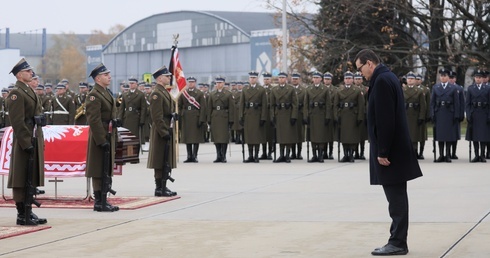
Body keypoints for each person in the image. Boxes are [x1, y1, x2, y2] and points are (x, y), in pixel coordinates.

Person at [355, 49, 422, 256]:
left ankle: (398, 242)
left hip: (391, 151)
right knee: (397, 197)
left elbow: (385, 120)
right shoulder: (389, 77)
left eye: (360, 69)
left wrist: (382, 151)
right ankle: (397, 239)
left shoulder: (382, 81)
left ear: (369, 63)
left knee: (396, 199)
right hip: (395, 148)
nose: (360, 74)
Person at [7, 58, 47, 225]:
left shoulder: (28, 90)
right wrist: (26, 143)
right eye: (28, 71)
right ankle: (22, 212)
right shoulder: (17, 93)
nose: (31, 73)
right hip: (24, 140)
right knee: (21, 176)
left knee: (30, 176)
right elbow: (17, 121)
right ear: (19, 75)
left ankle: (28, 210)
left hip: (33, 136)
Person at [85, 63, 119, 212]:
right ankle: (99, 201)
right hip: (100, 137)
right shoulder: (94, 95)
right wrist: (101, 140)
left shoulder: (105, 92)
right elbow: (94, 119)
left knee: (106, 167)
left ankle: (104, 199)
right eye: (106, 75)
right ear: (98, 78)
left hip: (108, 134)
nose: (109, 77)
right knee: (99, 168)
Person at [147, 66, 177, 197]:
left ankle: (164, 185)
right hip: (161, 131)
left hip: (166, 128)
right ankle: (159, 187)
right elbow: (156, 116)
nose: (169, 78)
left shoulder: (163, 91)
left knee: (165, 158)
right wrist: (164, 132)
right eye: (167, 76)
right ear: (159, 78)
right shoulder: (156, 94)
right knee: (160, 159)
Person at [430, 68, 461, 162]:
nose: (443, 77)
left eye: (445, 76)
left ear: (448, 77)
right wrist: (432, 114)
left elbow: (456, 103)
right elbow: (432, 103)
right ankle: (441, 155)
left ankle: (447, 155)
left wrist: (456, 115)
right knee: (440, 136)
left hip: (449, 114)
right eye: (442, 76)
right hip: (439, 113)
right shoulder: (436, 87)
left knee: (448, 136)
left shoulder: (453, 88)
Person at [333, 71, 365, 162]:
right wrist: (336, 116)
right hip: (343, 115)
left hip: (352, 116)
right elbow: (335, 105)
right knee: (344, 137)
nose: (348, 80)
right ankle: (345, 154)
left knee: (352, 137)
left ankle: (351, 154)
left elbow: (361, 105)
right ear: (344, 80)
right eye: (346, 78)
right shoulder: (339, 91)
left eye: (350, 78)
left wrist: (360, 117)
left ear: (352, 80)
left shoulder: (357, 90)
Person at [239, 71, 268, 163]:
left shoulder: (261, 90)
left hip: (257, 114)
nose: (252, 79)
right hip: (248, 114)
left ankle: (256, 155)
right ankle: (250, 155)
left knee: (256, 136)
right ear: (249, 79)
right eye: (251, 78)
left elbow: (264, 105)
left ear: (257, 79)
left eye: (254, 78)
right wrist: (241, 116)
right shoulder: (245, 89)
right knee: (249, 136)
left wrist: (263, 117)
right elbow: (242, 104)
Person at [270, 71, 298, 163]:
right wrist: (272, 115)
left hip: (288, 113)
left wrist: (294, 116)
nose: (281, 79)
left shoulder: (291, 89)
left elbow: (294, 104)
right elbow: (272, 105)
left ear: (286, 79)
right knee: (280, 136)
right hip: (279, 114)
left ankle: (287, 155)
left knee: (288, 136)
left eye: (283, 78)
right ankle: (281, 154)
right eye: (280, 78)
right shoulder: (274, 90)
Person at [304, 71, 331, 162]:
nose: (315, 79)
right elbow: (305, 104)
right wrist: (305, 115)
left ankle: (320, 155)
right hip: (312, 114)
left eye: (317, 78)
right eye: (314, 78)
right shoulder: (308, 89)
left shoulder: (325, 89)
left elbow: (328, 104)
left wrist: (327, 116)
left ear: (320, 79)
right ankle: (314, 154)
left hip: (321, 115)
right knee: (312, 136)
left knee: (320, 136)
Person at [178, 76, 207, 163]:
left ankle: (195, 156)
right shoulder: (183, 93)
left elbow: (203, 107)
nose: (191, 83)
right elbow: (179, 105)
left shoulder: (199, 93)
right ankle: (189, 156)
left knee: (195, 138)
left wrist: (201, 119)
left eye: (192, 82)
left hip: (195, 116)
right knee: (187, 138)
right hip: (186, 117)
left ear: (195, 83)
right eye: (189, 82)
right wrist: (181, 114)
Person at [207, 76, 234, 163]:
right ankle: (218, 155)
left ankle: (223, 156)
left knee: (224, 138)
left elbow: (231, 107)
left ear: (223, 83)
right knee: (216, 138)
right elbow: (209, 107)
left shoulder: (228, 94)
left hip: (224, 116)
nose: (219, 84)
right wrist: (209, 119)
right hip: (215, 116)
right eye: (217, 83)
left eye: (220, 83)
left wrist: (231, 120)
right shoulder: (212, 94)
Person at [465, 69, 490, 162]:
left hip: (484, 113)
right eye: (476, 77)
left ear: (482, 79)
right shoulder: (471, 88)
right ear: (474, 78)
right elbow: (467, 103)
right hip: (474, 113)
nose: (478, 79)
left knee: (483, 136)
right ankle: (476, 155)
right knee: (475, 136)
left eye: (480, 77)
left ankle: (482, 155)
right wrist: (468, 114)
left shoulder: (487, 88)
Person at [118, 77, 147, 145]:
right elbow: (121, 108)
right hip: (127, 118)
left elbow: (143, 108)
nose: (131, 85)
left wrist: (142, 120)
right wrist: (120, 119)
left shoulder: (140, 94)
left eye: (132, 83)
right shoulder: (125, 95)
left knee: (135, 137)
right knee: (127, 137)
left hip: (136, 118)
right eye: (130, 83)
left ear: (136, 84)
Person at [403, 72, 427, 155]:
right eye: (408, 79)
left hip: (415, 114)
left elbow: (423, 105)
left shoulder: (419, 91)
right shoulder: (402, 90)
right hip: (405, 114)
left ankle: (415, 151)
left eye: (412, 79)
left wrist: (421, 117)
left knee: (414, 135)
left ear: (414, 80)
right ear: (406, 80)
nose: (410, 80)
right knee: (406, 135)